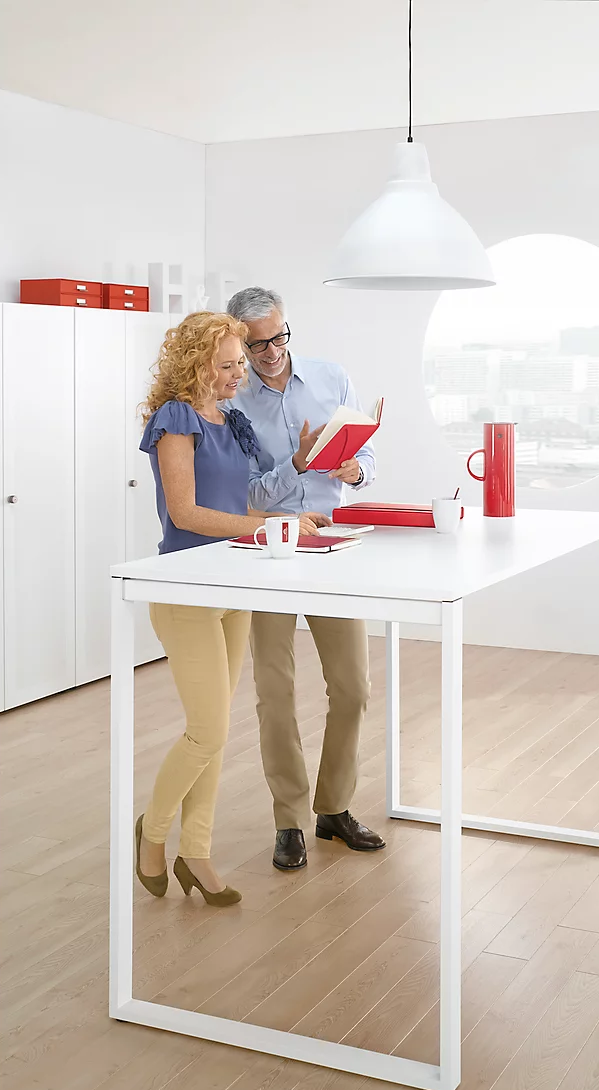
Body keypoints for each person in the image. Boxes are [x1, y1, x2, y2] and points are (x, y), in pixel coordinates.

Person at [134, 311, 326, 905]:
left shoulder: (233, 421)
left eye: (241, 362)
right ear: (195, 364)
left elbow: (239, 506)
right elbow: (187, 513)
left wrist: (286, 517)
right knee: (207, 730)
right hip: (186, 591)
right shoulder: (176, 419)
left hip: (232, 589)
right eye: (226, 364)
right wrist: (266, 528)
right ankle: (152, 833)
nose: (239, 373)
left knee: (214, 735)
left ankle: (196, 852)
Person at [225, 286, 386, 871]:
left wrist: (356, 470)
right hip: (268, 551)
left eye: (279, 337)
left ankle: (334, 808)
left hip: (332, 548)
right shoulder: (232, 400)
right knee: (276, 692)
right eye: (256, 345)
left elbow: (369, 458)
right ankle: (288, 820)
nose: (271, 352)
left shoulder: (330, 377)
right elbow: (243, 494)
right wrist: (295, 465)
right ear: (238, 342)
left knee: (353, 687)